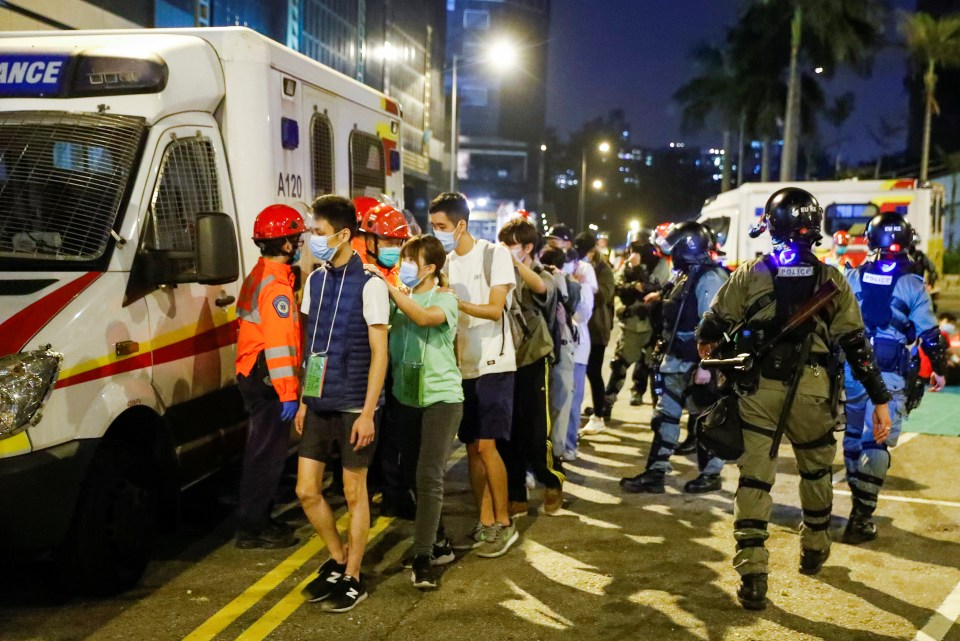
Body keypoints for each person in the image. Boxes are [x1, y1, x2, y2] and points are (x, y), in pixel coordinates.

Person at [696, 187, 893, 611]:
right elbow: (857, 347)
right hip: (814, 389)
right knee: (817, 472)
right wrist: (880, 400)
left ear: (773, 225)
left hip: (759, 390)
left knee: (754, 480)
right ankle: (815, 548)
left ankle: (752, 575)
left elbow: (710, 327)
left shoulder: (752, 273)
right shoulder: (833, 279)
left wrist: (712, 350)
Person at [295, 195, 390, 613]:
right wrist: (303, 399)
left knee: (354, 493)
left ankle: (353, 576)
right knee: (306, 490)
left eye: (318, 232)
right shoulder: (314, 281)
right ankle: (337, 558)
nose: (312, 240)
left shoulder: (371, 284)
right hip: (318, 401)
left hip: (355, 404)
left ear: (343, 234)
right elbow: (311, 345)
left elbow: (380, 353)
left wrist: (369, 411)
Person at [841, 212, 947, 545]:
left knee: (855, 436)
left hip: (853, 369)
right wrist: (939, 369)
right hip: (889, 373)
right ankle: (861, 516)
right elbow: (929, 335)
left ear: (871, 240)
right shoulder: (912, 282)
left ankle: (856, 505)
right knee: (877, 441)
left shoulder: (853, 275)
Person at [430, 192, 519, 558]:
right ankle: (485, 519)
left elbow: (497, 309)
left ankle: (504, 521)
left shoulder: (493, 254)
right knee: (470, 448)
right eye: (433, 227)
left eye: (441, 227)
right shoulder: (445, 263)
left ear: (460, 225)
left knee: (486, 445)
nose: (437, 234)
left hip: (494, 363)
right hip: (462, 365)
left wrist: (455, 301)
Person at [372, 234, 462, 589]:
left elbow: (425, 318)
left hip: (442, 398)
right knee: (410, 472)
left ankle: (424, 556)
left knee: (428, 475)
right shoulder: (400, 300)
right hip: (406, 397)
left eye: (411, 259)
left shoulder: (446, 298)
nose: (404, 265)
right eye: (403, 258)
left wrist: (392, 291)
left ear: (430, 268)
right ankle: (438, 540)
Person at [619, 222, 729, 495]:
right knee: (665, 418)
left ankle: (711, 474)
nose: (672, 253)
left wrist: (707, 366)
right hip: (675, 359)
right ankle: (656, 473)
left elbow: (715, 327)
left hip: (696, 363)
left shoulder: (711, 277)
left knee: (705, 421)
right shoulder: (686, 274)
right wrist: (660, 298)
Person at [234, 204, 304, 550]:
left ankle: (258, 517)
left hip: (252, 371)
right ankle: (253, 527)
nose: (301, 243)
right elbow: (278, 346)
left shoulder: (259, 273)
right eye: (297, 237)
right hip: (268, 379)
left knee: (261, 450)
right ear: (287, 245)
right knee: (266, 454)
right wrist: (288, 391)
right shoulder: (276, 288)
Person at [497, 217, 565, 515]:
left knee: (536, 431)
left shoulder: (542, 273)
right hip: (504, 360)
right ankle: (516, 495)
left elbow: (541, 288)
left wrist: (512, 263)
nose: (504, 249)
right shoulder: (498, 271)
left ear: (527, 247)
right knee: (508, 432)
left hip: (534, 359)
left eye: (510, 244)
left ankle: (551, 481)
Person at [352, 198, 414, 518]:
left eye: (397, 242)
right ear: (370, 238)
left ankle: (388, 491)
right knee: (378, 434)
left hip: (388, 361)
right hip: (370, 362)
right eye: (388, 240)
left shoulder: (387, 269)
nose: (393, 247)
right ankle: (388, 493)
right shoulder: (363, 272)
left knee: (391, 433)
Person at [604, 238, 667, 414]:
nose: (631, 255)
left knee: (656, 369)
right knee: (619, 365)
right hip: (632, 326)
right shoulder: (627, 267)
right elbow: (617, 286)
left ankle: (659, 409)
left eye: (635, 252)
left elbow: (658, 288)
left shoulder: (659, 265)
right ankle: (606, 404)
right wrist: (632, 286)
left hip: (653, 326)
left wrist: (639, 274)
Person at [539, 246, 581, 462]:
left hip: (559, 345)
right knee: (555, 404)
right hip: (552, 346)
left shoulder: (567, 283)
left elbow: (571, 303)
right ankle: (552, 453)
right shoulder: (544, 278)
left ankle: (555, 452)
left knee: (560, 402)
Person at [576, 232, 615, 434]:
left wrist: (586, 284)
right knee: (583, 371)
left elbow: (606, 296)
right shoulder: (580, 266)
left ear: (593, 251)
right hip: (582, 328)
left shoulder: (603, 269)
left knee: (594, 371)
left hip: (597, 329)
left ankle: (599, 415)